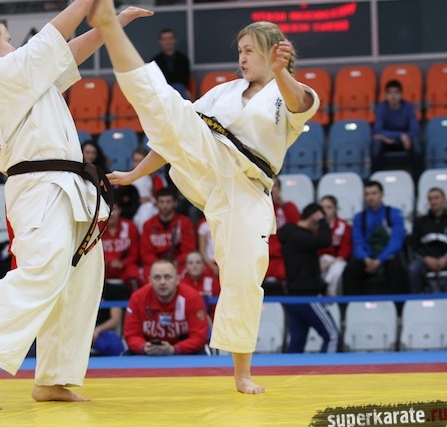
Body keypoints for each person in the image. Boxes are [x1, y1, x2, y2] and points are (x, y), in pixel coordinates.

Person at [90, 2, 318, 393]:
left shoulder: (290, 94)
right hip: (207, 163)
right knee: (166, 106)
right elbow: (172, 135)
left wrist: (281, 73)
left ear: (271, 53)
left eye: (249, 51)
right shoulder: (222, 93)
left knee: (244, 277)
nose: (242, 58)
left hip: (247, 188)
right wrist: (134, 174)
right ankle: (110, 27)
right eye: (240, 51)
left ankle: (242, 373)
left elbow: (301, 104)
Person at [0, 4, 152, 410]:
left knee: (80, 281)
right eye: (8, 39)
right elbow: (53, 37)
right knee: (40, 271)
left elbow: (67, 53)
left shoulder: (24, 77)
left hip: (67, 184)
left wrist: (113, 23)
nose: (14, 45)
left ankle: (54, 378)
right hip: (39, 186)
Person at [278, 203, 339, 354]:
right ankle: (327, 368)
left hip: (293, 298)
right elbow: (325, 241)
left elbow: (308, 268)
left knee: (296, 344)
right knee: (332, 336)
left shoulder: (291, 235)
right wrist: (323, 221)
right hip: (307, 297)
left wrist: (323, 288)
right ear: (313, 219)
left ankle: (290, 369)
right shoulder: (300, 237)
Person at [123, 259, 209, 355]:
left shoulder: (192, 298)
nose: (162, 282)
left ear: (177, 279)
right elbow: (132, 335)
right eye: (157, 277)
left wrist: (175, 349)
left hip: (184, 351)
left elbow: (199, 337)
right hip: (149, 352)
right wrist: (143, 347)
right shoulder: (137, 298)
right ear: (150, 280)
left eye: (167, 277)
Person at [342, 181, 408, 296]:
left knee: (395, 268)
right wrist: (366, 259)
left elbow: (396, 242)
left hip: (387, 257)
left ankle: (398, 305)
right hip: (367, 258)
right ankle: (350, 304)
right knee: (350, 270)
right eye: (367, 194)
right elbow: (358, 242)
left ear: (382, 194)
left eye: (374, 193)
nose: (370, 197)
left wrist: (380, 260)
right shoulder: (359, 217)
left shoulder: (394, 213)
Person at [140, 187, 196, 281]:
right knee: (146, 273)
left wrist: (177, 261)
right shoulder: (148, 224)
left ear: (175, 203)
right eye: (161, 202)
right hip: (156, 263)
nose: (165, 205)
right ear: (156, 203)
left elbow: (188, 250)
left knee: (187, 272)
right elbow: (146, 252)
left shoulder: (185, 222)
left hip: (178, 264)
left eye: (168, 202)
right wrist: (159, 264)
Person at [372, 79, 423, 179]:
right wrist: (400, 135)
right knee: (377, 144)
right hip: (388, 142)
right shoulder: (381, 107)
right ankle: (375, 179)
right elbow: (378, 130)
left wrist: (405, 137)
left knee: (417, 143)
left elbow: (415, 130)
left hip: (406, 143)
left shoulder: (409, 107)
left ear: (401, 94)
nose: (393, 96)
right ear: (386, 95)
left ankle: (418, 180)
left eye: (396, 92)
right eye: (390, 93)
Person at [264, 176, 300, 295]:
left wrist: (283, 205)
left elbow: (299, 230)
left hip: (283, 259)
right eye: (268, 185)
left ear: (279, 189)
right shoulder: (257, 209)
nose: (271, 189)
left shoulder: (288, 207)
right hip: (263, 259)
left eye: (274, 186)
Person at [408, 187, 447, 293]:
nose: (433, 201)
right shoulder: (420, 222)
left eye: (436, 198)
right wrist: (426, 258)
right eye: (430, 199)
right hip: (425, 258)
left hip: (445, 257)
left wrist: (445, 259)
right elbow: (414, 244)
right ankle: (415, 299)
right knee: (413, 269)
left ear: (444, 200)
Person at [101, 201, 141, 292]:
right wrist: (104, 262)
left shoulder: (130, 226)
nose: (111, 213)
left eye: (114, 209)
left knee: (133, 272)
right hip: (103, 267)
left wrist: (123, 263)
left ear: (120, 210)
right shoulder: (96, 228)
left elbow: (135, 254)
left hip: (124, 267)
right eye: (107, 209)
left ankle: (136, 297)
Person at [318, 195, 352, 296]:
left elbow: (344, 253)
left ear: (335, 209)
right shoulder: (315, 226)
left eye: (329, 207)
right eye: (322, 208)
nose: (325, 211)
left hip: (337, 261)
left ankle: (329, 294)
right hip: (319, 260)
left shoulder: (344, 226)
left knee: (337, 270)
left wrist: (328, 263)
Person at [130, 146, 167, 231]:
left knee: (145, 212)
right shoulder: (125, 177)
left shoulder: (157, 179)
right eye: (135, 161)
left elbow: (163, 196)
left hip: (151, 207)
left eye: (141, 161)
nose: (138, 164)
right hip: (130, 208)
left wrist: (150, 199)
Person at [151, 28, 191, 99]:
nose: (168, 41)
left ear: (174, 40)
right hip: (162, 91)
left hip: (179, 91)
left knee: (179, 88)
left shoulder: (183, 59)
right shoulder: (155, 61)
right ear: (160, 42)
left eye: (170, 38)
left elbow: (184, 80)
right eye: (165, 39)